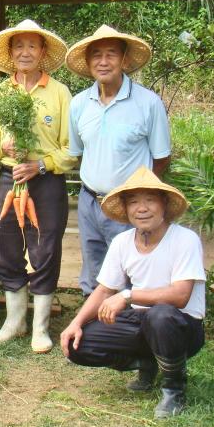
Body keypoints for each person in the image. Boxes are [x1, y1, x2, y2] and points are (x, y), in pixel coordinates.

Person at [60, 167, 204, 419]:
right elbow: (104, 289)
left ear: (164, 205)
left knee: (160, 316)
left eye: (150, 200)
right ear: (126, 210)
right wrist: (75, 323)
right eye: (134, 201)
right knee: (77, 346)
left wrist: (127, 295)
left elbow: (180, 295)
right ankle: (147, 362)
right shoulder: (122, 242)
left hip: (181, 325)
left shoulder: (185, 239)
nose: (142, 208)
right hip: (141, 321)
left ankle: (174, 388)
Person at [0, 19, 76, 353]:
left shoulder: (60, 93)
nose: (25, 52)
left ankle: (40, 327)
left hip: (46, 181)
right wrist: (1, 149)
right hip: (6, 177)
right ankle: (14, 321)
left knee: (45, 247)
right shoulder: (1, 93)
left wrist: (41, 165)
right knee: (4, 244)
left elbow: (70, 149)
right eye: (18, 46)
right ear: (10, 53)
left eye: (32, 46)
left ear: (43, 52)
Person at [66, 25, 171, 297]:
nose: (103, 61)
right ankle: (93, 323)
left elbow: (161, 158)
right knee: (93, 264)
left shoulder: (148, 103)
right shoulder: (79, 104)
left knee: (131, 266)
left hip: (128, 203)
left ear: (124, 60)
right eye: (96, 55)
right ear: (88, 63)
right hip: (89, 201)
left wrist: (139, 196)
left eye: (111, 54)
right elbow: (77, 152)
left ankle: (130, 325)